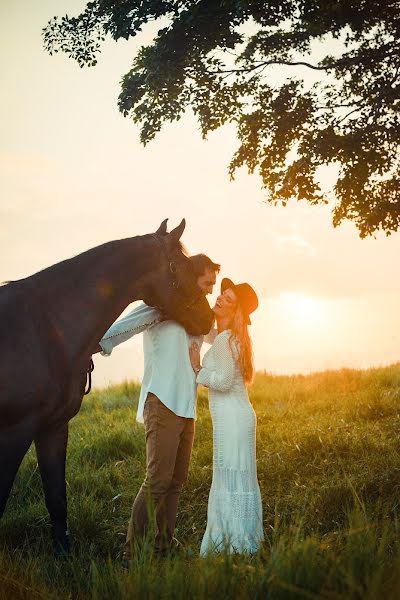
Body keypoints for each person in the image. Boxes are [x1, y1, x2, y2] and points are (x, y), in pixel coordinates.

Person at [98, 254, 220, 563]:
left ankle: (164, 544)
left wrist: (237, 322)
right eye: (207, 283)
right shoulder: (160, 308)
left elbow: (217, 337)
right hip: (161, 400)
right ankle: (131, 552)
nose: (209, 291)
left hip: (187, 405)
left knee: (176, 481)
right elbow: (119, 329)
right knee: (157, 480)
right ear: (193, 276)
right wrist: (91, 344)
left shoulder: (194, 314)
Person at [189, 277, 264, 554]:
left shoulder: (223, 340)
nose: (220, 299)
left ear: (235, 312)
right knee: (240, 479)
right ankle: (244, 541)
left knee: (229, 478)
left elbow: (221, 381)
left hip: (233, 421)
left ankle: (231, 546)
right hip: (241, 418)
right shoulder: (232, 338)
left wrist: (198, 370)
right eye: (222, 295)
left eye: (228, 300)